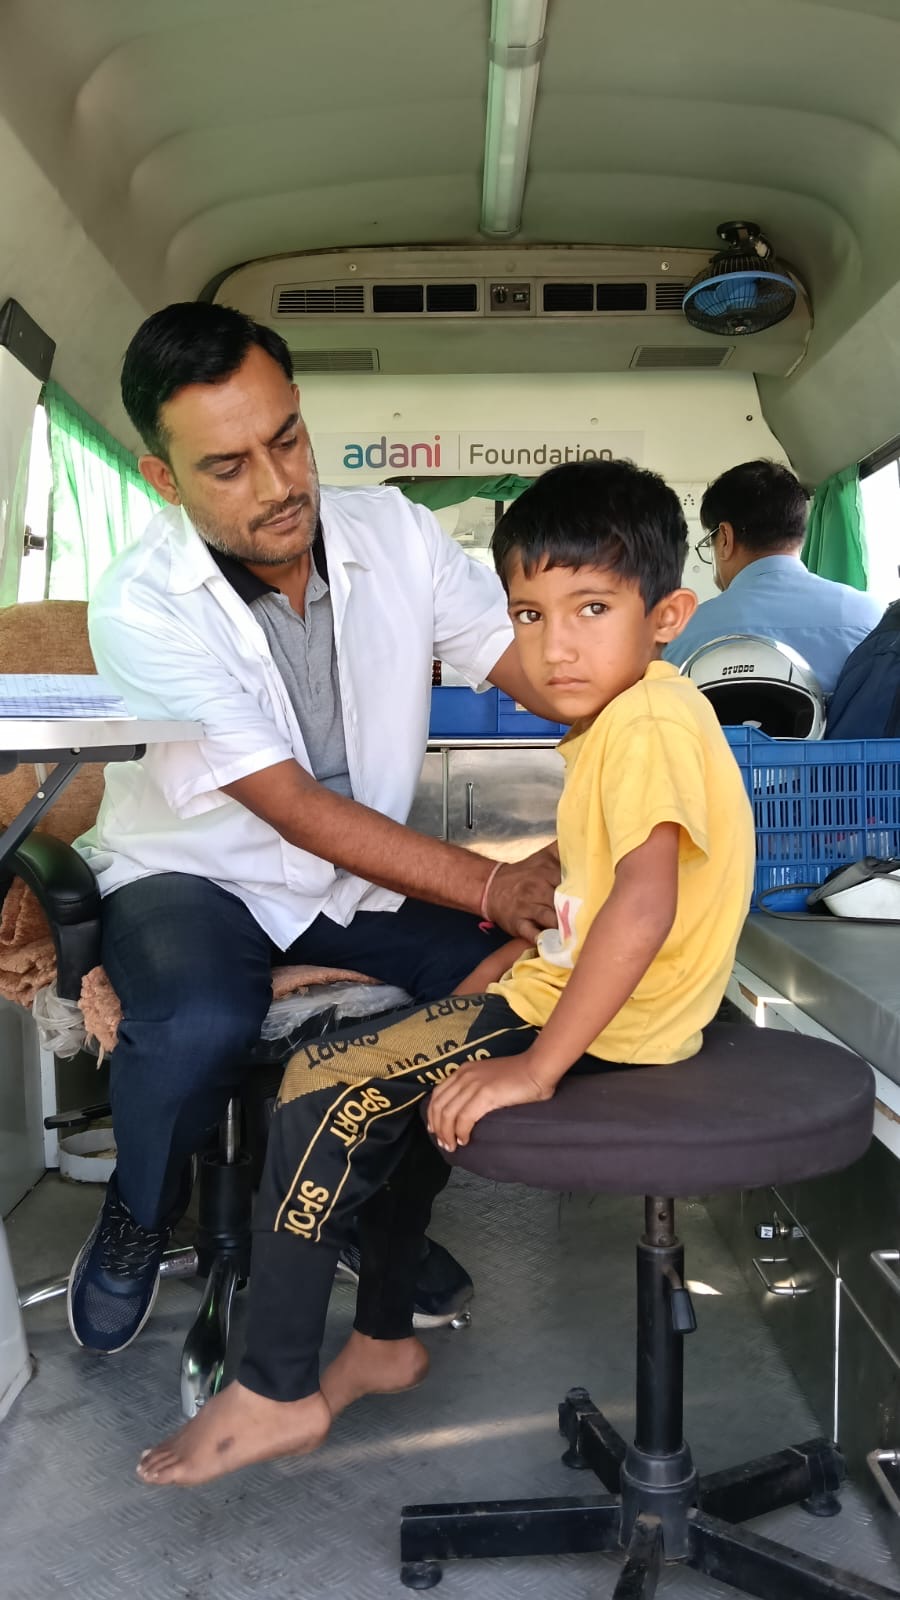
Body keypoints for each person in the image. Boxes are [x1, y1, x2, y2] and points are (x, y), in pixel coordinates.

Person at [135, 455, 756, 1488]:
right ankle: (383, 1339)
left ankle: (275, 1388)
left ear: (667, 615)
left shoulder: (646, 723)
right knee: (398, 1094)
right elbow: (597, 893)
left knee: (320, 1087)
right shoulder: (632, 715)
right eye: (529, 616)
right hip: (576, 996)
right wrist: (506, 966)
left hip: (603, 1023)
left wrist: (537, 1066)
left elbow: (645, 908)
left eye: (592, 608)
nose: (555, 647)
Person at [68, 302, 561, 1356]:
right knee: (198, 1023)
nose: (279, 484)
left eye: (286, 438)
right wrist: (490, 883)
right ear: (164, 479)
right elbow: (287, 803)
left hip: (350, 880)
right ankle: (141, 1208)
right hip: (194, 874)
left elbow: (530, 664)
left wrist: (640, 724)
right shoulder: (143, 603)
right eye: (228, 466)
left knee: (516, 986)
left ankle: (366, 1216)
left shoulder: (397, 534)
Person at [665, 460, 882, 694]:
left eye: (711, 542)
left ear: (726, 538)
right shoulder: (871, 618)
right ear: (800, 533)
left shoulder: (677, 634)